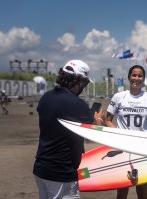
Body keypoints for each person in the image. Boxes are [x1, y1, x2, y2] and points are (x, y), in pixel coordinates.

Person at [33, 59, 104, 199]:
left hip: (41, 167)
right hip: (62, 172)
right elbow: (96, 130)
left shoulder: (46, 97)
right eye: (85, 83)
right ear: (80, 81)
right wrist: (100, 118)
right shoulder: (76, 103)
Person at [105, 65, 147, 199]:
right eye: (134, 75)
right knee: (121, 190)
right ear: (129, 77)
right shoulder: (118, 96)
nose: (136, 78)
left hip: (141, 148)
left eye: (140, 76)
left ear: (143, 79)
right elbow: (108, 120)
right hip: (122, 148)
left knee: (142, 189)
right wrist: (118, 136)